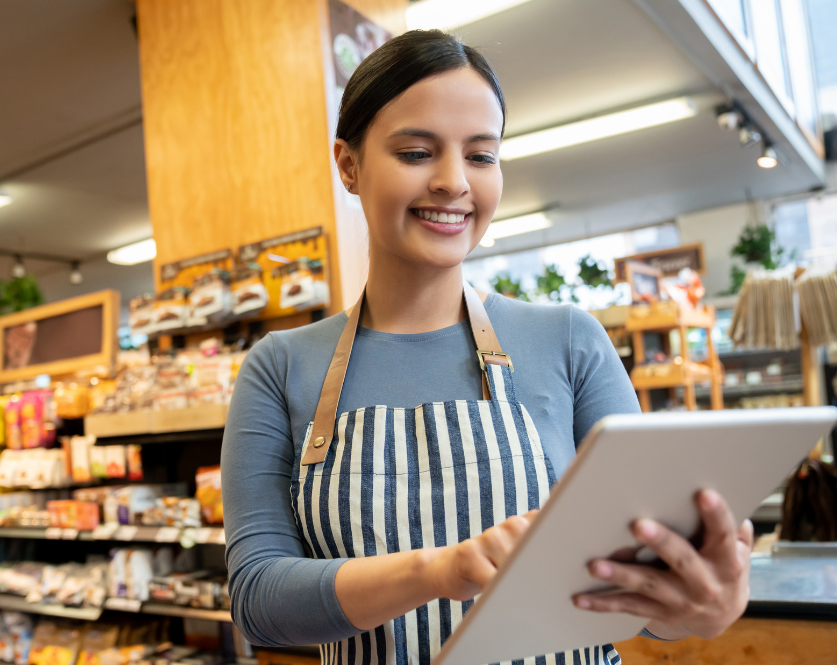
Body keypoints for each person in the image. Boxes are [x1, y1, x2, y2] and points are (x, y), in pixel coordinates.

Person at [221, 29, 752, 665]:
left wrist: (704, 604)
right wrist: (437, 573)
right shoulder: (280, 369)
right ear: (349, 165)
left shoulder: (570, 341)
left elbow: (640, 583)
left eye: (481, 156)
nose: (453, 182)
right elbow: (259, 601)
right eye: (417, 153)